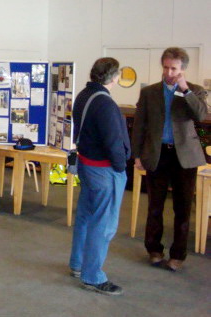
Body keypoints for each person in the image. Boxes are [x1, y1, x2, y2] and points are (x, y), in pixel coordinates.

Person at [132, 47, 208, 272]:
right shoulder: (150, 92)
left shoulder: (195, 90)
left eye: (173, 68)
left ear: (182, 69)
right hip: (157, 154)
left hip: (184, 156)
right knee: (155, 205)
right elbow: (140, 126)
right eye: (165, 67)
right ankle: (154, 249)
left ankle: (178, 255)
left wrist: (185, 90)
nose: (168, 72)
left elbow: (201, 115)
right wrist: (137, 155)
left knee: (182, 208)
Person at [69, 57, 129, 296]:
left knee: (85, 215)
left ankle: (77, 263)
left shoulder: (83, 96)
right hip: (104, 170)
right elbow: (113, 141)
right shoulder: (105, 104)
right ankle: (93, 276)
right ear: (115, 77)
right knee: (103, 224)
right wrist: (121, 166)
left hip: (86, 165)